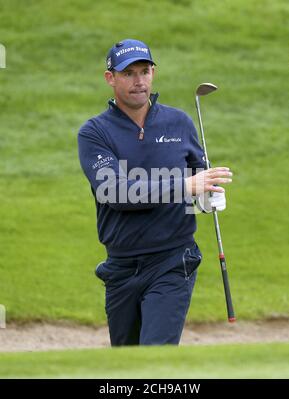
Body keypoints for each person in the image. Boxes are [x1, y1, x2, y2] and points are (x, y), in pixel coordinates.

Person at [77, 39, 233, 346]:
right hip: (121, 266)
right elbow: (116, 193)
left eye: (145, 71)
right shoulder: (95, 133)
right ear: (111, 78)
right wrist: (185, 186)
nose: (139, 81)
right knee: (128, 362)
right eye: (129, 73)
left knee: (155, 357)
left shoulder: (179, 123)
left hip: (173, 261)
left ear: (153, 73)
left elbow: (199, 178)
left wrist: (207, 197)